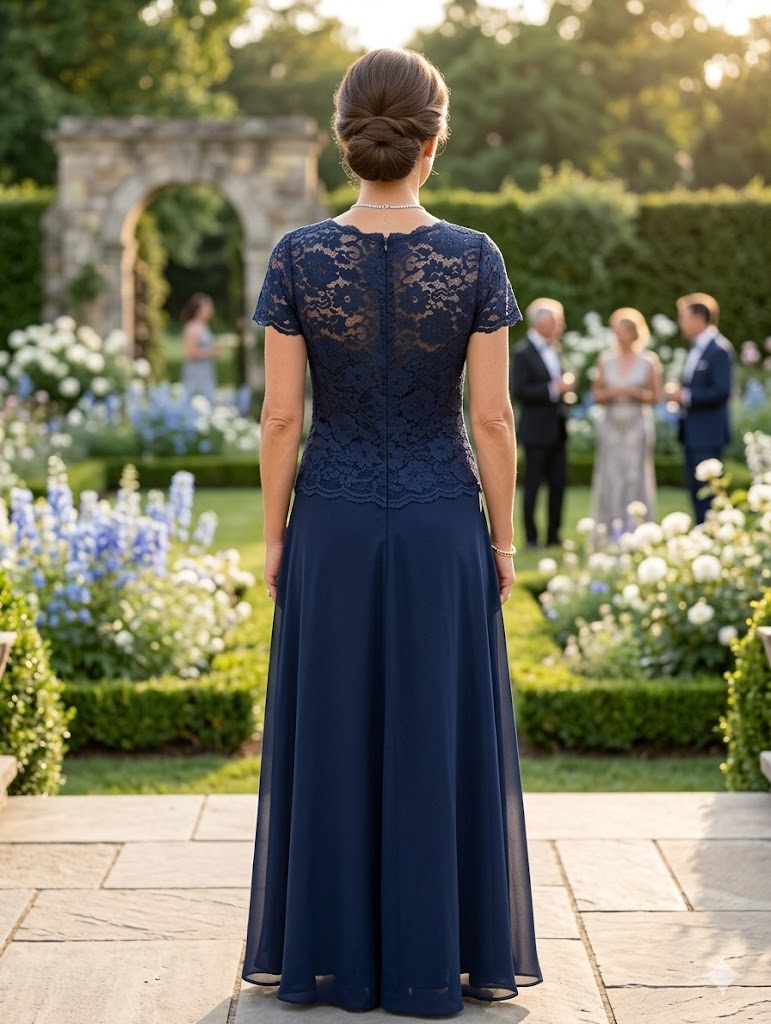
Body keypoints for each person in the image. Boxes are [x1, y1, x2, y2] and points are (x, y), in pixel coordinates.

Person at [242, 48, 542, 1017]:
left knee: (330, 731)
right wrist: (503, 541)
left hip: (328, 519)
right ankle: (434, 955)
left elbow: (280, 418)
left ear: (345, 137)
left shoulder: (295, 257)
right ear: (433, 137)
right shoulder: (476, 258)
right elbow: (492, 422)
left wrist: (276, 537)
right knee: (434, 732)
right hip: (438, 520)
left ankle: (328, 954)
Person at [510, 297, 575, 548]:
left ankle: (554, 536)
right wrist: (553, 388)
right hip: (536, 430)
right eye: (556, 321)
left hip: (558, 427)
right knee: (533, 485)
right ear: (540, 322)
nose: (560, 325)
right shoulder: (522, 352)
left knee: (559, 484)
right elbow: (519, 390)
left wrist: (564, 389)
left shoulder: (556, 349)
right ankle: (532, 537)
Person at [590, 307, 662, 531]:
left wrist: (634, 392)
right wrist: (611, 393)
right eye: (615, 331)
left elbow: (656, 396)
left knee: (634, 475)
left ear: (634, 333)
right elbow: (597, 394)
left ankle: (638, 528)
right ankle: (610, 527)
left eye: (621, 331)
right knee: (611, 474)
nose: (618, 336)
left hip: (636, 423)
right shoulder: (606, 360)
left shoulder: (648, 360)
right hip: (611, 423)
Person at [664, 293, 733, 523]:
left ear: (699, 318)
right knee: (695, 490)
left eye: (683, 317)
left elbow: (722, 391)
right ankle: (701, 532)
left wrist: (685, 395)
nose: (680, 323)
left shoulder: (719, 350)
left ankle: (713, 536)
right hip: (692, 432)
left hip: (708, 433)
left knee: (709, 493)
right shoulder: (696, 349)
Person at [180, 292, 218, 403]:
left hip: (205, 370)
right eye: (208, 307)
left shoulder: (204, 326)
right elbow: (189, 352)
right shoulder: (192, 327)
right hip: (196, 372)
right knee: (195, 399)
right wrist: (211, 352)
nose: (211, 309)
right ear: (199, 309)